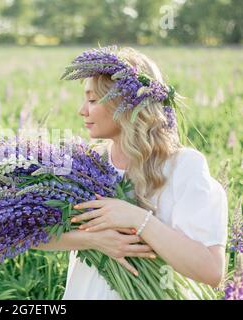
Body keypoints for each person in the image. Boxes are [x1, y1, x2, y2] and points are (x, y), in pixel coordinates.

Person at [32, 46, 228, 299]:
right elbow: (27, 234)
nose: (82, 110)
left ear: (125, 104)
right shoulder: (86, 164)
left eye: (92, 100)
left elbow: (211, 271)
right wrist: (92, 240)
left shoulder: (183, 167)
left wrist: (138, 219)